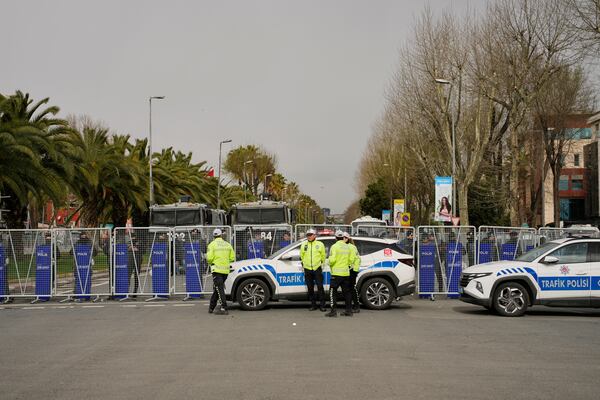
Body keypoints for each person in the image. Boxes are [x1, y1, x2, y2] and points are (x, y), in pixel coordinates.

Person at [326, 230, 355, 317]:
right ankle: (349, 311)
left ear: (335, 238)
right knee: (347, 293)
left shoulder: (334, 247)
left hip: (336, 274)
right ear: (342, 237)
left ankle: (333, 311)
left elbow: (332, 260)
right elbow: (351, 260)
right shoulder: (347, 247)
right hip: (345, 273)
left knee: (332, 292)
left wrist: (328, 261)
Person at [207, 228, 235, 315]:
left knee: (219, 289)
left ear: (213, 236)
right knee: (217, 289)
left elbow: (209, 258)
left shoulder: (211, 245)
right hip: (225, 271)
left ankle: (224, 308)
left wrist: (211, 262)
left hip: (216, 270)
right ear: (221, 235)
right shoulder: (227, 244)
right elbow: (232, 258)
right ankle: (211, 307)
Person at [300, 229, 326, 311]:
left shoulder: (320, 244)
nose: (309, 236)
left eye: (311, 235)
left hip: (317, 268)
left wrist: (321, 265)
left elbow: (323, 256)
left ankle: (322, 305)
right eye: (308, 235)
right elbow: (302, 256)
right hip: (307, 269)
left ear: (315, 235)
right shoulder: (304, 244)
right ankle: (313, 305)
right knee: (310, 288)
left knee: (320, 287)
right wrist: (303, 264)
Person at [344, 232, 361, 313]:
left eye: (345, 238)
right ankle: (353, 305)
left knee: (351, 288)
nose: (343, 239)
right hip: (351, 269)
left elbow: (350, 260)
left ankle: (356, 306)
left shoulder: (350, 247)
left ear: (348, 239)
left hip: (352, 270)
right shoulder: (350, 246)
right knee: (350, 288)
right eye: (343, 238)